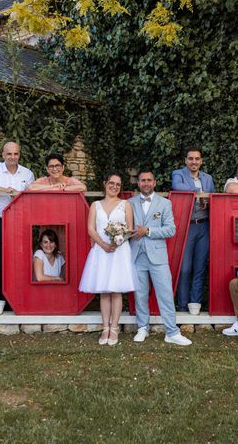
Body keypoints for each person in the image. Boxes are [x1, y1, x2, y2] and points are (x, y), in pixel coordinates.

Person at [129, 171, 192, 346]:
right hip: (136, 255)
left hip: (157, 256)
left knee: (165, 293)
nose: (146, 183)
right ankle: (142, 328)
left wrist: (148, 231)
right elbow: (125, 227)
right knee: (140, 294)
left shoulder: (164, 203)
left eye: (149, 180)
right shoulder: (129, 203)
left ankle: (172, 332)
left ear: (155, 182)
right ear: (138, 183)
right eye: (143, 180)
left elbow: (171, 230)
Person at [79, 172, 136, 346]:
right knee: (104, 290)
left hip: (119, 251)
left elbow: (130, 229)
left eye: (118, 185)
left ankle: (114, 327)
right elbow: (90, 229)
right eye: (111, 183)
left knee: (116, 289)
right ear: (105, 184)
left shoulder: (125, 204)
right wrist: (103, 245)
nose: (114, 187)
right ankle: (105, 327)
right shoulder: (95, 205)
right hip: (101, 250)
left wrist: (118, 241)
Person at [0, 142, 34, 304]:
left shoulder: (27, 173)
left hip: (20, 223)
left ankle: (18, 301)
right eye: (9, 154)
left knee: (20, 262)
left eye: (16, 154)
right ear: (3, 155)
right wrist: (5, 190)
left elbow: (31, 195)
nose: (12, 157)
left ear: (19, 155)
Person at [171, 146, 215, 312]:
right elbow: (177, 187)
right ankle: (182, 305)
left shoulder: (208, 178)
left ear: (201, 161)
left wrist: (208, 200)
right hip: (187, 226)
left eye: (197, 159)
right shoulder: (179, 174)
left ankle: (195, 304)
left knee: (200, 266)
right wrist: (200, 192)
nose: (194, 162)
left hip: (204, 225)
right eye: (191, 158)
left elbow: (214, 197)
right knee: (184, 268)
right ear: (186, 160)